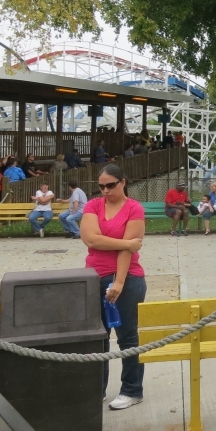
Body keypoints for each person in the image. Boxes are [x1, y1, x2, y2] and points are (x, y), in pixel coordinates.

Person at [80, 163, 146, 410]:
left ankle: (132, 390)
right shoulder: (93, 205)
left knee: (128, 336)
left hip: (128, 279)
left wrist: (118, 281)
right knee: (98, 338)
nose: (105, 190)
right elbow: (90, 239)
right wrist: (125, 243)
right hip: (93, 277)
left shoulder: (134, 209)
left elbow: (126, 252)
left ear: (123, 182)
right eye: (101, 186)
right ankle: (97, 388)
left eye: (110, 185)